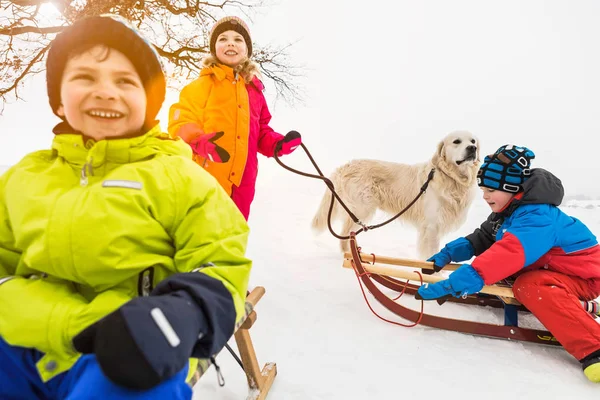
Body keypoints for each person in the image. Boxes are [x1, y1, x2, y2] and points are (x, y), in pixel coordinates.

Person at [0, 15, 252, 399]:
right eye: (84, 77)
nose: (105, 91)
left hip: (130, 347)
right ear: (59, 100)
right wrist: (196, 136)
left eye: (125, 81)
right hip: (22, 339)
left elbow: (220, 259)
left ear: (148, 101)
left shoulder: (177, 177)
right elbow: (185, 115)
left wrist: (187, 311)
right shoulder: (24, 177)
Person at [417, 144, 600, 383]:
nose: (485, 196)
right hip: (551, 269)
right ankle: (579, 308)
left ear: (512, 189)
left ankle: (593, 348)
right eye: (482, 189)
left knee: (529, 286)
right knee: (512, 275)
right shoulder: (508, 211)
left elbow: (508, 254)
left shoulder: (537, 217)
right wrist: (448, 254)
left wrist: (456, 283)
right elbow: (483, 237)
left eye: (491, 189)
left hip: (583, 277)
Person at [168, 16, 301, 220]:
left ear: (246, 50)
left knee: (232, 237)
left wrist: (278, 144)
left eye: (238, 39)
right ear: (214, 49)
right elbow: (181, 119)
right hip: (205, 177)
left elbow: (261, 131)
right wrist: (197, 139)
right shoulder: (202, 86)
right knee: (199, 237)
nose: (230, 42)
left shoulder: (255, 92)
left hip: (243, 184)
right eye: (223, 38)